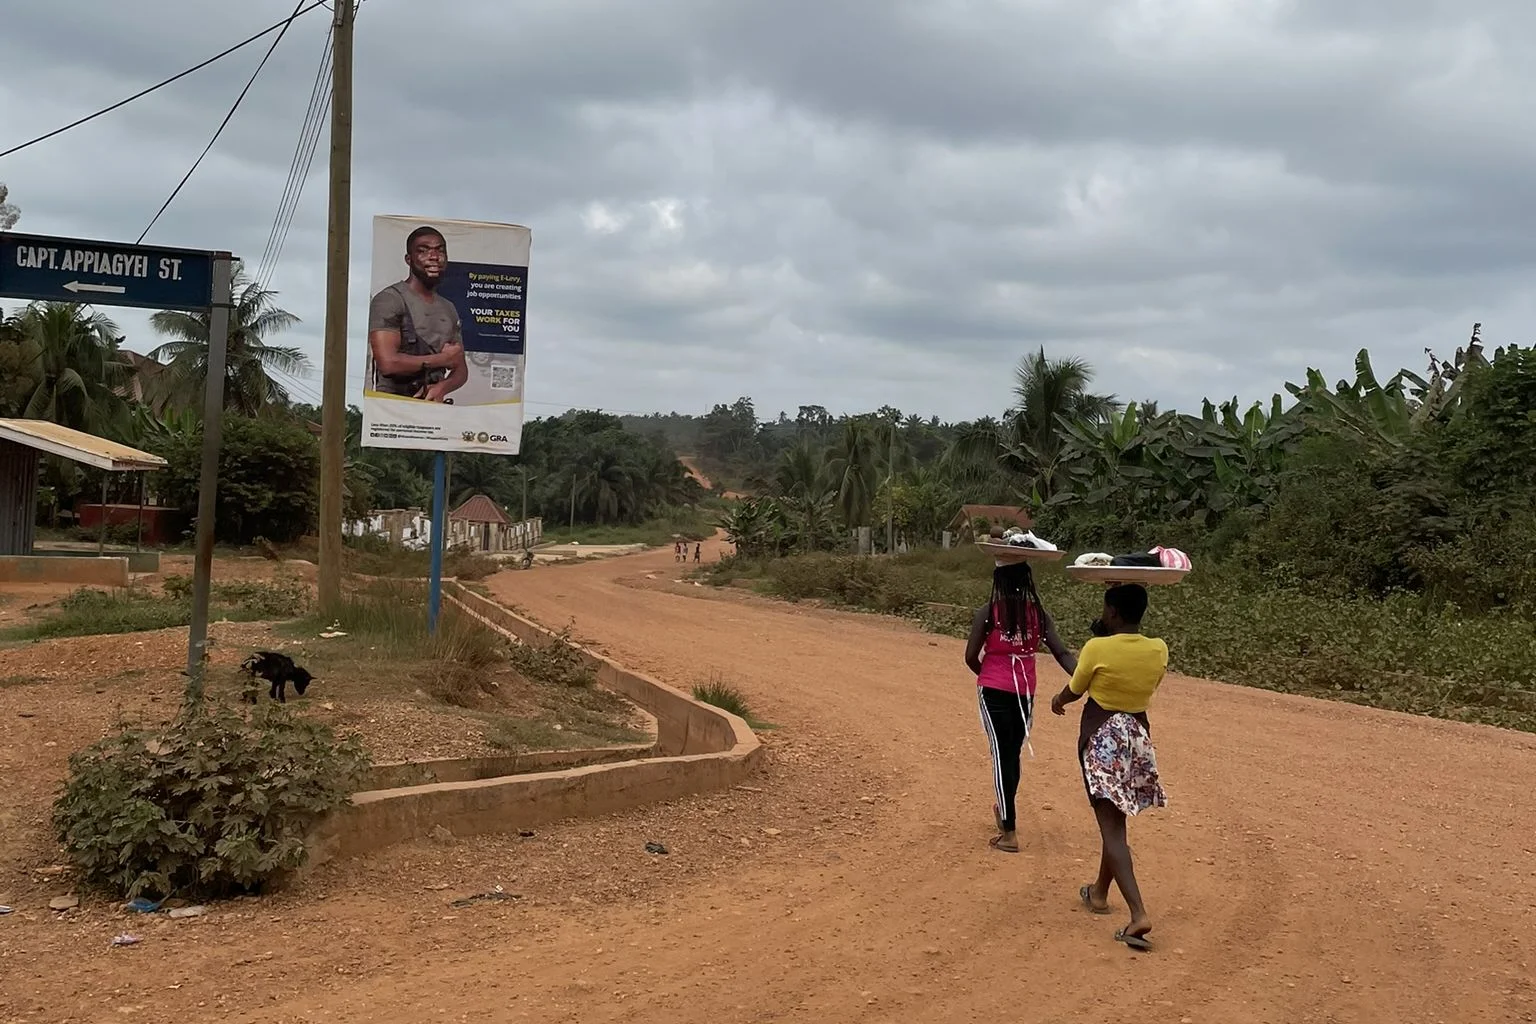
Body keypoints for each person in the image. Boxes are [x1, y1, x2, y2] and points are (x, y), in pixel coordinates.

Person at [1050, 583, 1168, 952]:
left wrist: (1057, 700)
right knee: (1116, 820)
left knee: (1112, 829)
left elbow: (1076, 687)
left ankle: (1138, 915)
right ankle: (1099, 892)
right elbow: (1147, 682)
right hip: (1137, 738)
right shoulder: (1158, 648)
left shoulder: (1096, 648)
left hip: (1103, 737)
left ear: (1112, 612)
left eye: (1105, 608)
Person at [963, 561, 1076, 853]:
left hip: (993, 690)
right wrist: (1084, 678)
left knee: (1001, 756)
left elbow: (970, 656)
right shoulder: (1038, 615)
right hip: (1024, 692)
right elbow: (1062, 652)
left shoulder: (988, 613)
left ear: (998, 582)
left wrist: (990, 676)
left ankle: (1009, 831)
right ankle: (1004, 812)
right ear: (1027, 582)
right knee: (1011, 754)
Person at [367, 225, 468, 402]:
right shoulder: (390, 299)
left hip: (432, 407)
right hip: (393, 406)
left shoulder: (449, 308)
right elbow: (388, 363)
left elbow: (460, 369)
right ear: (409, 259)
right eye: (423, 251)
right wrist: (443, 359)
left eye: (440, 251)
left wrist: (442, 387)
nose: (434, 257)